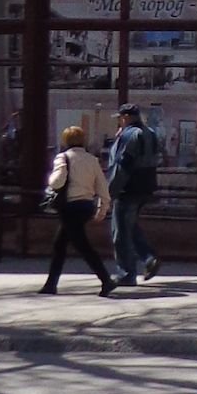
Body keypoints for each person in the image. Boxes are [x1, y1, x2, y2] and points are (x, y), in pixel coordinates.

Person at [40, 124, 117, 297]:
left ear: (65, 140)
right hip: (85, 207)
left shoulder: (63, 158)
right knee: (60, 244)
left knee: (82, 246)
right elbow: (103, 187)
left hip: (69, 207)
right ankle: (51, 284)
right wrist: (102, 208)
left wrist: (50, 179)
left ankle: (106, 280)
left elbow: (56, 182)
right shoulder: (92, 160)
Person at [106, 104, 162, 287]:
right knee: (130, 226)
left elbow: (123, 166)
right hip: (145, 188)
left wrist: (110, 191)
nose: (120, 121)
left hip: (127, 189)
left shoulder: (129, 135)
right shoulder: (150, 133)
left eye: (121, 118)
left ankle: (127, 273)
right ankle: (149, 258)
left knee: (120, 232)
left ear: (127, 117)